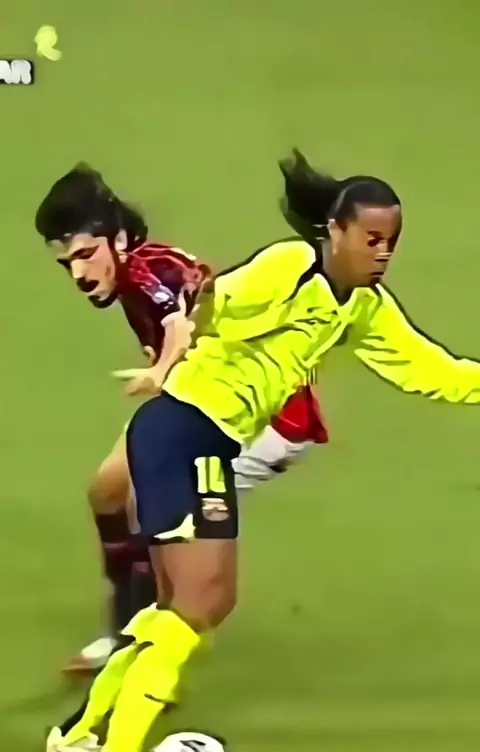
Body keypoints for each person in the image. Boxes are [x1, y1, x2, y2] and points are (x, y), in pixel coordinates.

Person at [48, 148, 480, 752]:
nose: (383, 252)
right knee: (199, 600)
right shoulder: (289, 267)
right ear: (335, 231)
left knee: (192, 603)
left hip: (207, 444)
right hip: (182, 429)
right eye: (371, 238)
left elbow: (433, 371)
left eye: (391, 241)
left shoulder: (362, 309)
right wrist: (180, 332)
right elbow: (215, 299)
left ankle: (79, 736)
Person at [35, 164, 329, 676]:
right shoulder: (141, 274)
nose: (79, 274)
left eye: (85, 255)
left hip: (264, 423)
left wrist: (160, 370)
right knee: (109, 491)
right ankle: (131, 625)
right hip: (205, 402)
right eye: (68, 264)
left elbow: (178, 326)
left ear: (118, 240)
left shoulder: (146, 271)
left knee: (164, 531)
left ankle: (146, 657)